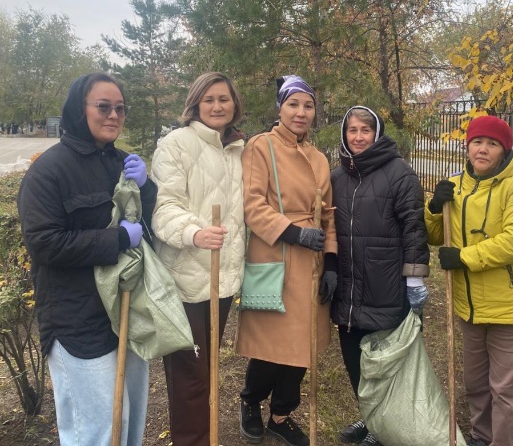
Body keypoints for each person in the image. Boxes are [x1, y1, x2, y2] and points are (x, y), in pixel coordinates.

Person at [17, 72, 156, 446]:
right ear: (80, 110)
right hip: (76, 319)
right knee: (97, 429)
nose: (114, 115)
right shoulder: (48, 171)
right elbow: (44, 243)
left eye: (120, 109)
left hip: (125, 309)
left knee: (130, 419)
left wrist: (147, 189)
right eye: (104, 106)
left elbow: (149, 225)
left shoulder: (122, 163)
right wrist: (116, 239)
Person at [425, 115, 513, 446]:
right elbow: (435, 235)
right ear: (468, 146)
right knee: (475, 383)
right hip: (470, 307)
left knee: (505, 390)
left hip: (512, 307)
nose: (483, 149)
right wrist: (434, 207)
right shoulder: (456, 185)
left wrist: (463, 257)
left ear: (504, 151)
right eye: (477, 142)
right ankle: (481, 436)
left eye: (492, 144)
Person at [235, 75, 336, 446]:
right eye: (293, 104)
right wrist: (293, 233)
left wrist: (332, 262)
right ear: (280, 108)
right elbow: (252, 205)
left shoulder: (319, 158)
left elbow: (329, 216)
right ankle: (250, 401)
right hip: (275, 254)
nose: (301, 112)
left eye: (308, 106)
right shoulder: (261, 147)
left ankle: (281, 415)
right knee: (271, 344)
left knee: (302, 345)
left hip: (312, 262)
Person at [150, 72, 246, 446]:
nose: (217, 106)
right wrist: (195, 232)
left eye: (223, 98)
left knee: (207, 369)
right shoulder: (176, 145)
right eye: (209, 99)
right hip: (185, 282)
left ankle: (206, 436)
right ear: (195, 104)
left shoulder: (238, 149)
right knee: (189, 376)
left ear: (234, 104)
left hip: (222, 281)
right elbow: (164, 207)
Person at [330, 106, 430, 446]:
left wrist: (414, 278)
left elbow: (414, 228)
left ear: (377, 133)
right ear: (344, 134)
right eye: (352, 130)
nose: (358, 137)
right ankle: (372, 418)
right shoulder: (337, 178)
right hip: (348, 289)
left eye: (365, 130)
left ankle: (386, 426)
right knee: (355, 363)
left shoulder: (399, 173)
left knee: (384, 364)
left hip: (384, 285)